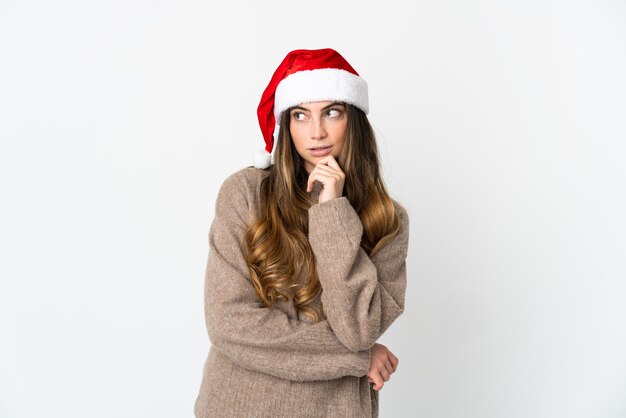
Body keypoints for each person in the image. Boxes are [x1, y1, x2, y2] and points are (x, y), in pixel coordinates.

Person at [193, 48, 410, 418]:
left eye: (331, 112)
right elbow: (229, 323)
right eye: (300, 115)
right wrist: (357, 359)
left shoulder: (388, 220)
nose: (317, 132)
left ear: (353, 119)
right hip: (241, 407)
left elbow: (358, 329)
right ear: (286, 124)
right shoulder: (246, 194)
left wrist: (332, 212)